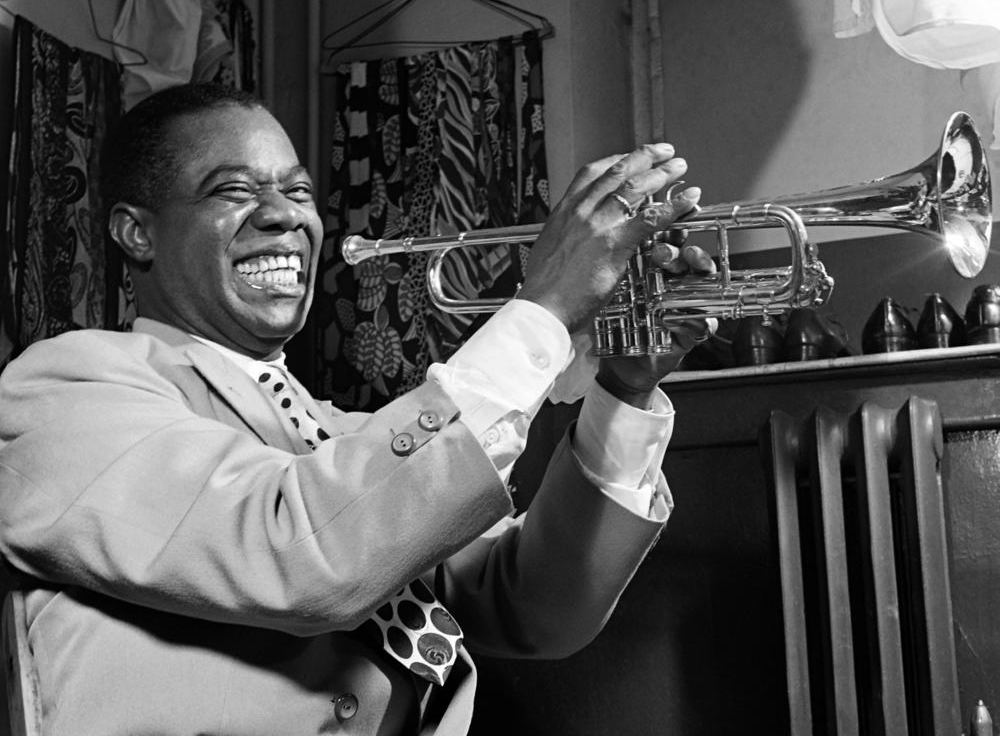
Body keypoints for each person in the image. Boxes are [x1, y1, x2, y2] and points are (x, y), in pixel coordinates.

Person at [0, 83, 712, 735]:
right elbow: (304, 554)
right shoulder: (63, 390)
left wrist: (624, 388)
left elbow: (532, 608)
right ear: (137, 234)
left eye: (299, 190)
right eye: (233, 190)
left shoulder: (336, 434)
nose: (283, 215)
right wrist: (545, 310)